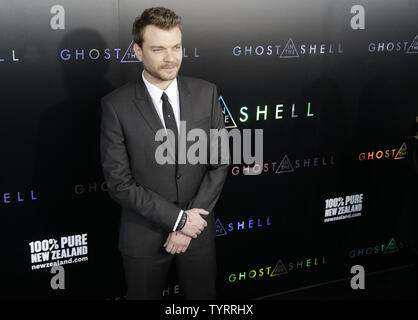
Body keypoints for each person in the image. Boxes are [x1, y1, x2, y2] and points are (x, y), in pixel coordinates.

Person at [100, 7, 230, 300]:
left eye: (176, 47)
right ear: (138, 51)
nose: (171, 58)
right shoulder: (116, 106)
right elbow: (119, 183)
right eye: (158, 49)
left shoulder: (206, 93)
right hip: (143, 238)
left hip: (198, 233)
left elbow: (219, 162)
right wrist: (178, 220)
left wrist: (188, 226)